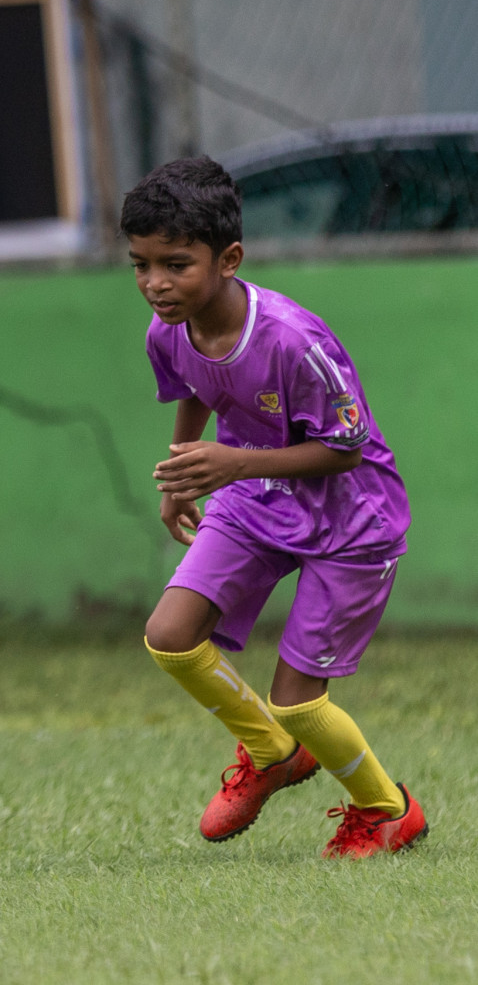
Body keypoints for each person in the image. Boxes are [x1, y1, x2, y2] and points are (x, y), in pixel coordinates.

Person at [129, 155, 426, 858]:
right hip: (258, 497)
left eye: (176, 264)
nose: (155, 285)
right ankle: (272, 754)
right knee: (170, 634)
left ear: (229, 258)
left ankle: (388, 810)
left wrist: (231, 464)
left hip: (351, 519)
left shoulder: (295, 340)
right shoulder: (167, 328)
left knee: (299, 697)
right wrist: (182, 473)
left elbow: (348, 447)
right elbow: (195, 386)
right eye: (140, 265)